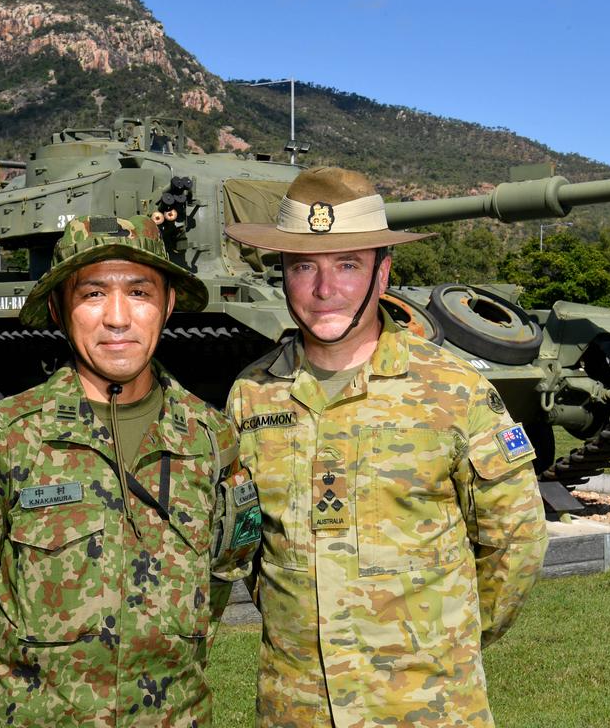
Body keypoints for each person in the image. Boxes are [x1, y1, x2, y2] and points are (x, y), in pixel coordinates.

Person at [223, 167, 548, 728]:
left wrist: (441, 640)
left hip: (425, 707)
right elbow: (250, 549)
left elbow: (514, 541)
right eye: (304, 266)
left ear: (382, 273)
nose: (325, 289)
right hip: (297, 707)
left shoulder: (452, 390)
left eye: (347, 265)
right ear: (283, 275)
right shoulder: (251, 396)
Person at [0, 214, 261, 727]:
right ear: (59, 309)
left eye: (140, 292)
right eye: (93, 293)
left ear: (167, 304)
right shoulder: (8, 438)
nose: (118, 318)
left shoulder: (210, 439)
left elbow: (217, 581)